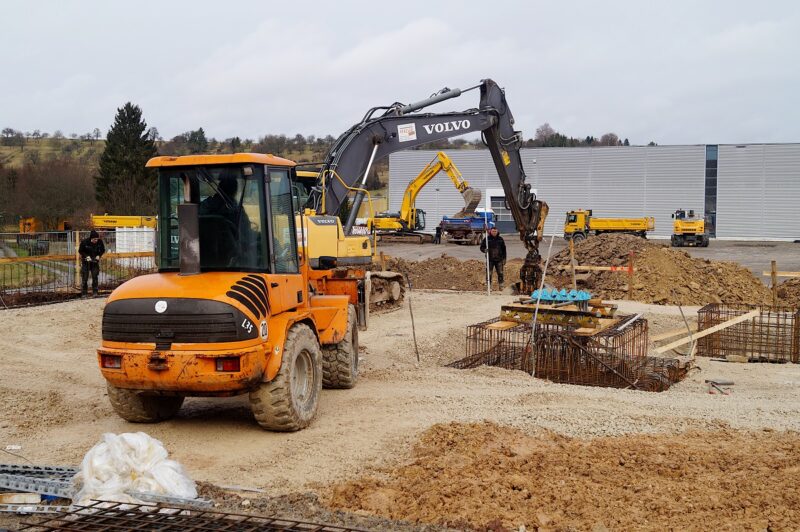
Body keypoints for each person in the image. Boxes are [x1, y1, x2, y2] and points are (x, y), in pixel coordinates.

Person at [79, 230, 105, 297]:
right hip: (86, 262)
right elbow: (80, 251)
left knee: (95, 277)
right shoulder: (85, 242)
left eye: (97, 239)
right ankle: (84, 293)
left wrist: (99, 255)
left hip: (95, 262)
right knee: (85, 277)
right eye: (94, 239)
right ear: (91, 238)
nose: (96, 240)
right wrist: (86, 256)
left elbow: (103, 250)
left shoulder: (100, 242)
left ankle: (95, 292)